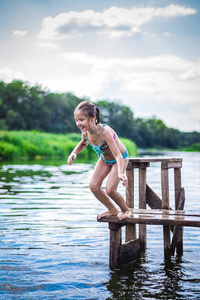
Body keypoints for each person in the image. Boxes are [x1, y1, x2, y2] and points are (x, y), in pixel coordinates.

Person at [67, 101, 131, 220]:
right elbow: (83, 143)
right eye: (76, 120)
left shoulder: (105, 132)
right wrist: (74, 153)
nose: (78, 123)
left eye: (81, 119)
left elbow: (117, 155)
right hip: (104, 159)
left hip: (119, 159)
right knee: (93, 186)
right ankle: (112, 210)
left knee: (110, 190)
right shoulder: (85, 134)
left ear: (93, 118)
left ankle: (126, 210)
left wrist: (121, 172)